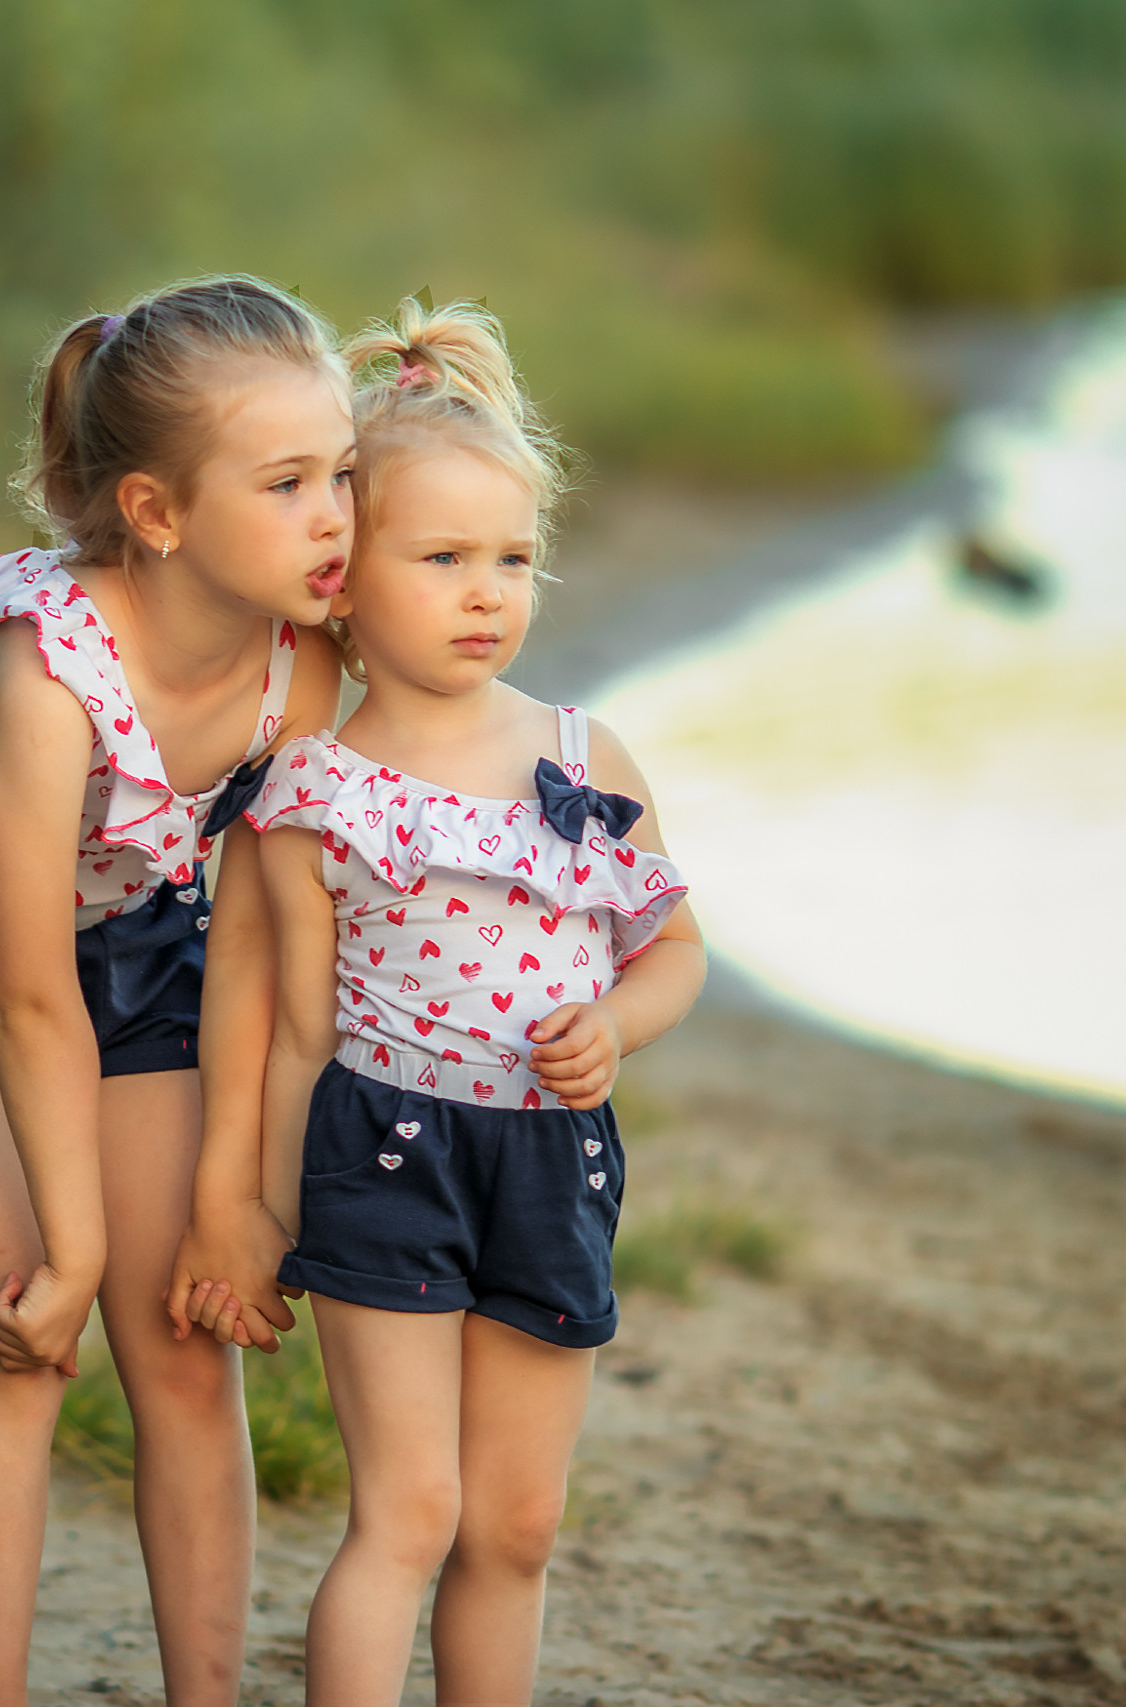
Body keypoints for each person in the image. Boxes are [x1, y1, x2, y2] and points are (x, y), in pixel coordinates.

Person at [174, 298, 707, 1706]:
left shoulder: (589, 753)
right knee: (409, 1512)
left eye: (515, 560)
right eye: (446, 559)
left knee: (517, 1524)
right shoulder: (312, 792)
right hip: (386, 1153)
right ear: (344, 581)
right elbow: (288, 1024)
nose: (490, 593)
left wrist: (620, 1026)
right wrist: (251, 1201)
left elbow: (674, 948)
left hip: (552, 1159)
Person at [0, 275, 352, 1706]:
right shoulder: (46, 681)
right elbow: (30, 1003)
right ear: (157, 512)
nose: (334, 519)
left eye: (344, 476)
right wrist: (67, 1250)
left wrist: (236, 1203)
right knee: (15, 1328)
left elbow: (258, 942)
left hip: (152, 925)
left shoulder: (293, 670)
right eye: (291, 481)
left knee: (181, 1336)